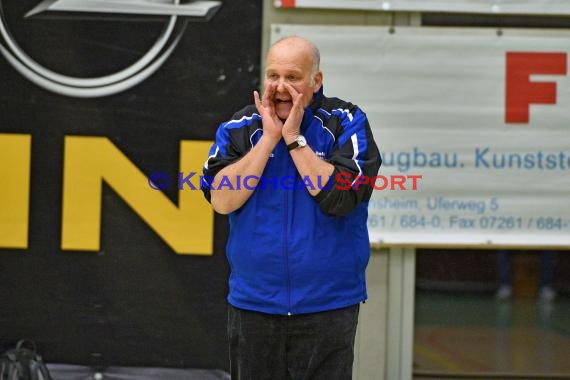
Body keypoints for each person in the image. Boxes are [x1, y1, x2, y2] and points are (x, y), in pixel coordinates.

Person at [201, 36, 381, 379]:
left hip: (328, 304)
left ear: (317, 80)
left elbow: (340, 199)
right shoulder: (240, 128)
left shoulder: (347, 122)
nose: (280, 87)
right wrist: (269, 138)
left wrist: (295, 138)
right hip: (254, 304)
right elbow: (221, 200)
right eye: (273, 76)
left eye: (293, 77)